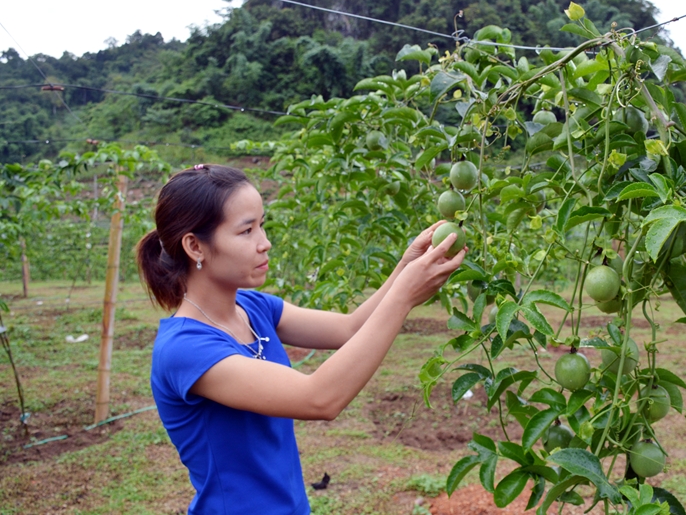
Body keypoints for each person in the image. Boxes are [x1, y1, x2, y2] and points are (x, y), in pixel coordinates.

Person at [136, 164, 466, 515]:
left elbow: (349, 329)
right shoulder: (185, 348)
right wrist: (404, 297)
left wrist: (404, 266)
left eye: (261, 225)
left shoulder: (252, 307)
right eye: (246, 231)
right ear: (195, 246)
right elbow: (319, 399)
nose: (265, 243)